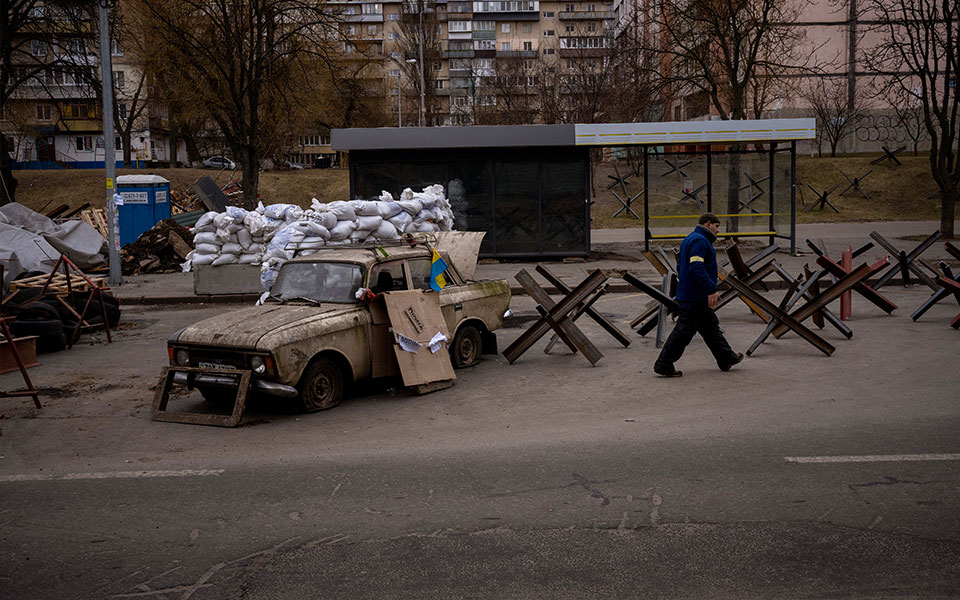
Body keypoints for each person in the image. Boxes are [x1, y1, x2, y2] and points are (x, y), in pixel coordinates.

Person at [653, 213, 744, 377]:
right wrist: (710, 288)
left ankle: (726, 358)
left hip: (692, 293)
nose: (718, 231)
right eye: (717, 226)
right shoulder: (700, 241)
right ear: (708, 224)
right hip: (695, 296)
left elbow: (681, 266)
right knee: (684, 331)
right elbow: (696, 267)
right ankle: (664, 363)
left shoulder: (691, 238)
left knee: (710, 327)